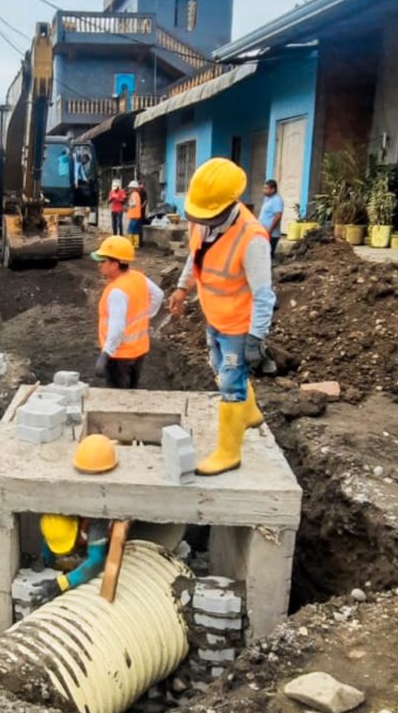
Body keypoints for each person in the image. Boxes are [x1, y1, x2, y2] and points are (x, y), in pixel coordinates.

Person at [168, 158, 276, 475]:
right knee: (220, 369)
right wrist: (181, 288)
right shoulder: (204, 220)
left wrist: (256, 337)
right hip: (214, 317)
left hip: (238, 325)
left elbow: (263, 294)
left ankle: (229, 453)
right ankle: (251, 412)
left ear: (229, 205)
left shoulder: (252, 238)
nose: (200, 221)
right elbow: (196, 255)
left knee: (230, 384)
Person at [92, 235, 163, 389]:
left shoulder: (117, 291)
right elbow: (158, 295)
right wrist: (146, 315)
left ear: (115, 264)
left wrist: (105, 354)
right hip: (139, 350)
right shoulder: (138, 277)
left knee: (117, 398)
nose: (99, 265)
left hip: (119, 356)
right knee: (132, 390)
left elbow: (116, 328)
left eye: (102, 261)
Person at [31, 514, 109, 604]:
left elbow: (96, 561)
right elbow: (53, 535)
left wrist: (62, 583)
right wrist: (44, 558)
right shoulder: (54, 519)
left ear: (79, 525)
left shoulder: (96, 521)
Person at [258, 179, 284, 256]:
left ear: (272, 190)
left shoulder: (277, 200)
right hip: (264, 232)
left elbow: (278, 216)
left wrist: (269, 231)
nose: (263, 190)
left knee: (267, 256)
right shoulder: (267, 199)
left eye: (266, 188)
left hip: (271, 234)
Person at [125, 180, 142, 248]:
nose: (129, 189)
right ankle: (136, 244)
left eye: (130, 188)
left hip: (133, 215)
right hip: (137, 215)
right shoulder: (137, 194)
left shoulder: (133, 194)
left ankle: (130, 244)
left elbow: (133, 204)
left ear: (133, 188)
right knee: (136, 231)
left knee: (130, 230)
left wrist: (128, 205)